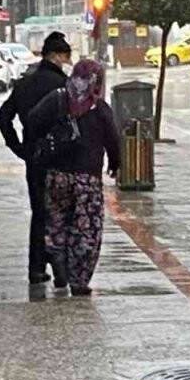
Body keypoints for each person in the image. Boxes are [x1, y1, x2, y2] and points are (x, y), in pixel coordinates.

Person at [27, 59, 120, 296]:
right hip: (87, 179)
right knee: (86, 230)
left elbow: (32, 121)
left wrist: (44, 143)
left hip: (57, 176)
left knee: (57, 222)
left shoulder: (56, 100)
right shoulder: (99, 108)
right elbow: (113, 139)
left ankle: (58, 261)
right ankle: (79, 280)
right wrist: (115, 164)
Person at [0, 32, 73, 285]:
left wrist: (17, 147)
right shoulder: (63, 85)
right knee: (62, 212)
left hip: (34, 157)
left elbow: (2, 117)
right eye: (66, 57)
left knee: (39, 212)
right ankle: (61, 266)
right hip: (62, 158)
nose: (67, 62)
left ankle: (37, 268)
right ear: (58, 56)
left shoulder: (25, 83)